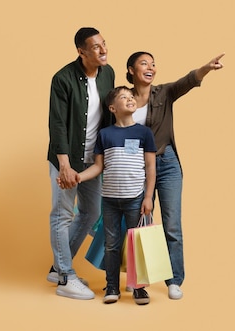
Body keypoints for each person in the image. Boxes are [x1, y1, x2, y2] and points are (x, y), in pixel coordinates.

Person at [126, 51, 224, 299]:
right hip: (137, 167)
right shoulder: (122, 98)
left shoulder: (164, 93)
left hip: (167, 163)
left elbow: (188, 81)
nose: (151, 67)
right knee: (139, 222)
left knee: (172, 225)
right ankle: (138, 279)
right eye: (144, 63)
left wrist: (206, 68)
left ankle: (174, 280)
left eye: (153, 63)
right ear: (131, 70)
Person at [70, 86, 157, 305]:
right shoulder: (105, 134)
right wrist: (79, 177)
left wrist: (148, 197)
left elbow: (150, 167)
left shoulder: (144, 133)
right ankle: (111, 286)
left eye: (130, 96)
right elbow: (98, 167)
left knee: (136, 243)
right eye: (123, 97)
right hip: (109, 200)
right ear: (112, 108)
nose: (129, 99)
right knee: (111, 244)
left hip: (135, 198)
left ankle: (139, 288)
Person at [47, 27, 115, 300]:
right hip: (67, 158)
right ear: (81, 51)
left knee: (90, 212)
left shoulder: (107, 73)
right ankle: (65, 276)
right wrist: (64, 165)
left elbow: (111, 113)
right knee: (63, 214)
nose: (103, 50)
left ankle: (57, 267)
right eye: (96, 47)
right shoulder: (62, 78)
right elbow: (57, 123)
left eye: (104, 44)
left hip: (92, 158)